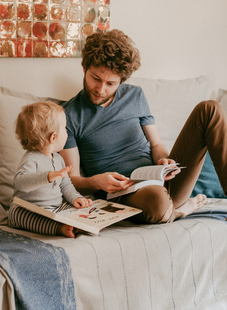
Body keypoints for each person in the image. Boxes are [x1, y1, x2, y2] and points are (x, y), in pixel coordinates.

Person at [60, 29, 227, 224]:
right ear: (84, 68)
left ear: (121, 81)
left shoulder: (135, 95)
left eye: (111, 83)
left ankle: (174, 208)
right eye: (95, 78)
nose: (100, 89)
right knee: (158, 202)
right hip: (127, 194)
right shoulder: (68, 115)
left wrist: (164, 160)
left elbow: (156, 145)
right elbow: (71, 179)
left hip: (160, 179)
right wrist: (96, 181)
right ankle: (178, 210)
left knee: (209, 109)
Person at [8, 101, 92, 238]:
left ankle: (79, 223)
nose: (67, 132)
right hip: (30, 209)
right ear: (53, 137)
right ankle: (58, 228)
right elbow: (19, 182)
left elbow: (66, 185)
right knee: (17, 214)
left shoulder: (58, 158)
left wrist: (76, 198)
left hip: (56, 208)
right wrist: (47, 176)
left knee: (82, 210)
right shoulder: (31, 159)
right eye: (65, 128)